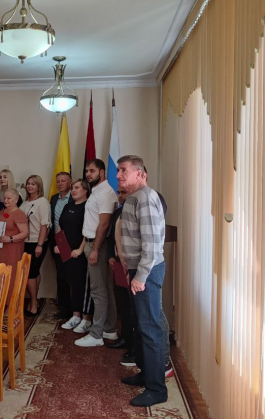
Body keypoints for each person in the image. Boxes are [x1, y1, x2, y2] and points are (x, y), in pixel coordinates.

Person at [117, 155, 168, 407]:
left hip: (147, 271)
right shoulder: (134, 197)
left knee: (150, 329)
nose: (118, 175)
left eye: (123, 170)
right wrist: (132, 269)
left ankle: (157, 389)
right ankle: (146, 374)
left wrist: (141, 275)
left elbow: (152, 244)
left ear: (139, 173)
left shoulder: (146, 198)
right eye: (118, 170)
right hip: (138, 269)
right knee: (140, 326)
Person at [74, 159, 118, 347]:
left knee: (98, 291)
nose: (88, 174)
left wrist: (95, 250)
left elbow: (104, 224)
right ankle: (109, 329)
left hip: (98, 245)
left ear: (102, 172)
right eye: (87, 171)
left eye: (92, 171)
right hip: (92, 243)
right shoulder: (96, 191)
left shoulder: (106, 193)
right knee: (105, 289)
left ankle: (96, 334)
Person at [55, 179, 94, 331]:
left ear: (85, 190)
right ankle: (75, 315)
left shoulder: (88, 207)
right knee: (69, 281)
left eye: (77, 187)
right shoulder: (68, 206)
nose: (73, 190)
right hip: (66, 251)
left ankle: (84, 318)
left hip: (79, 253)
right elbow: (61, 227)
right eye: (72, 188)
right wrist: (59, 245)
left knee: (80, 284)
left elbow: (88, 230)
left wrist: (80, 249)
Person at [0, 188, 29, 304]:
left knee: (10, 275)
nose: (6, 200)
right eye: (4, 198)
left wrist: (10, 239)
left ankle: (10, 304)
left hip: (12, 250)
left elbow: (25, 233)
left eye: (9, 198)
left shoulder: (19, 214)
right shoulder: (1, 212)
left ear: (16, 199)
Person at [107, 186, 133, 351]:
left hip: (133, 263)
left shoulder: (136, 211)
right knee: (122, 301)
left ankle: (134, 341)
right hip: (118, 261)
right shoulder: (117, 212)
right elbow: (112, 237)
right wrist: (111, 255)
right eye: (119, 192)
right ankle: (125, 336)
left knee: (133, 304)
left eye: (124, 192)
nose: (120, 196)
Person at [20, 175, 50, 316]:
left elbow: (44, 225)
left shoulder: (42, 202)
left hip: (36, 242)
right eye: (28, 183)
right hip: (24, 242)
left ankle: (33, 304)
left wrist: (40, 244)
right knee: (34, 272)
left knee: (30, 273)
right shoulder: (25, 202)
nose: (30, 186)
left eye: (33, 184)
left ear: (39, 187)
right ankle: (34, 300)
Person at [49, 171, 73, 318]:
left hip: (70, 240)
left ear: (70, 183)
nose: (60, 184)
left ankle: (73, 308)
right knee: (60, 275)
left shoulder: (75, 198)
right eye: (58, 181)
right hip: (56, 240)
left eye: (63, 181)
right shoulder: (53, 199)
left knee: (69, 275)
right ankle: (63, 307)